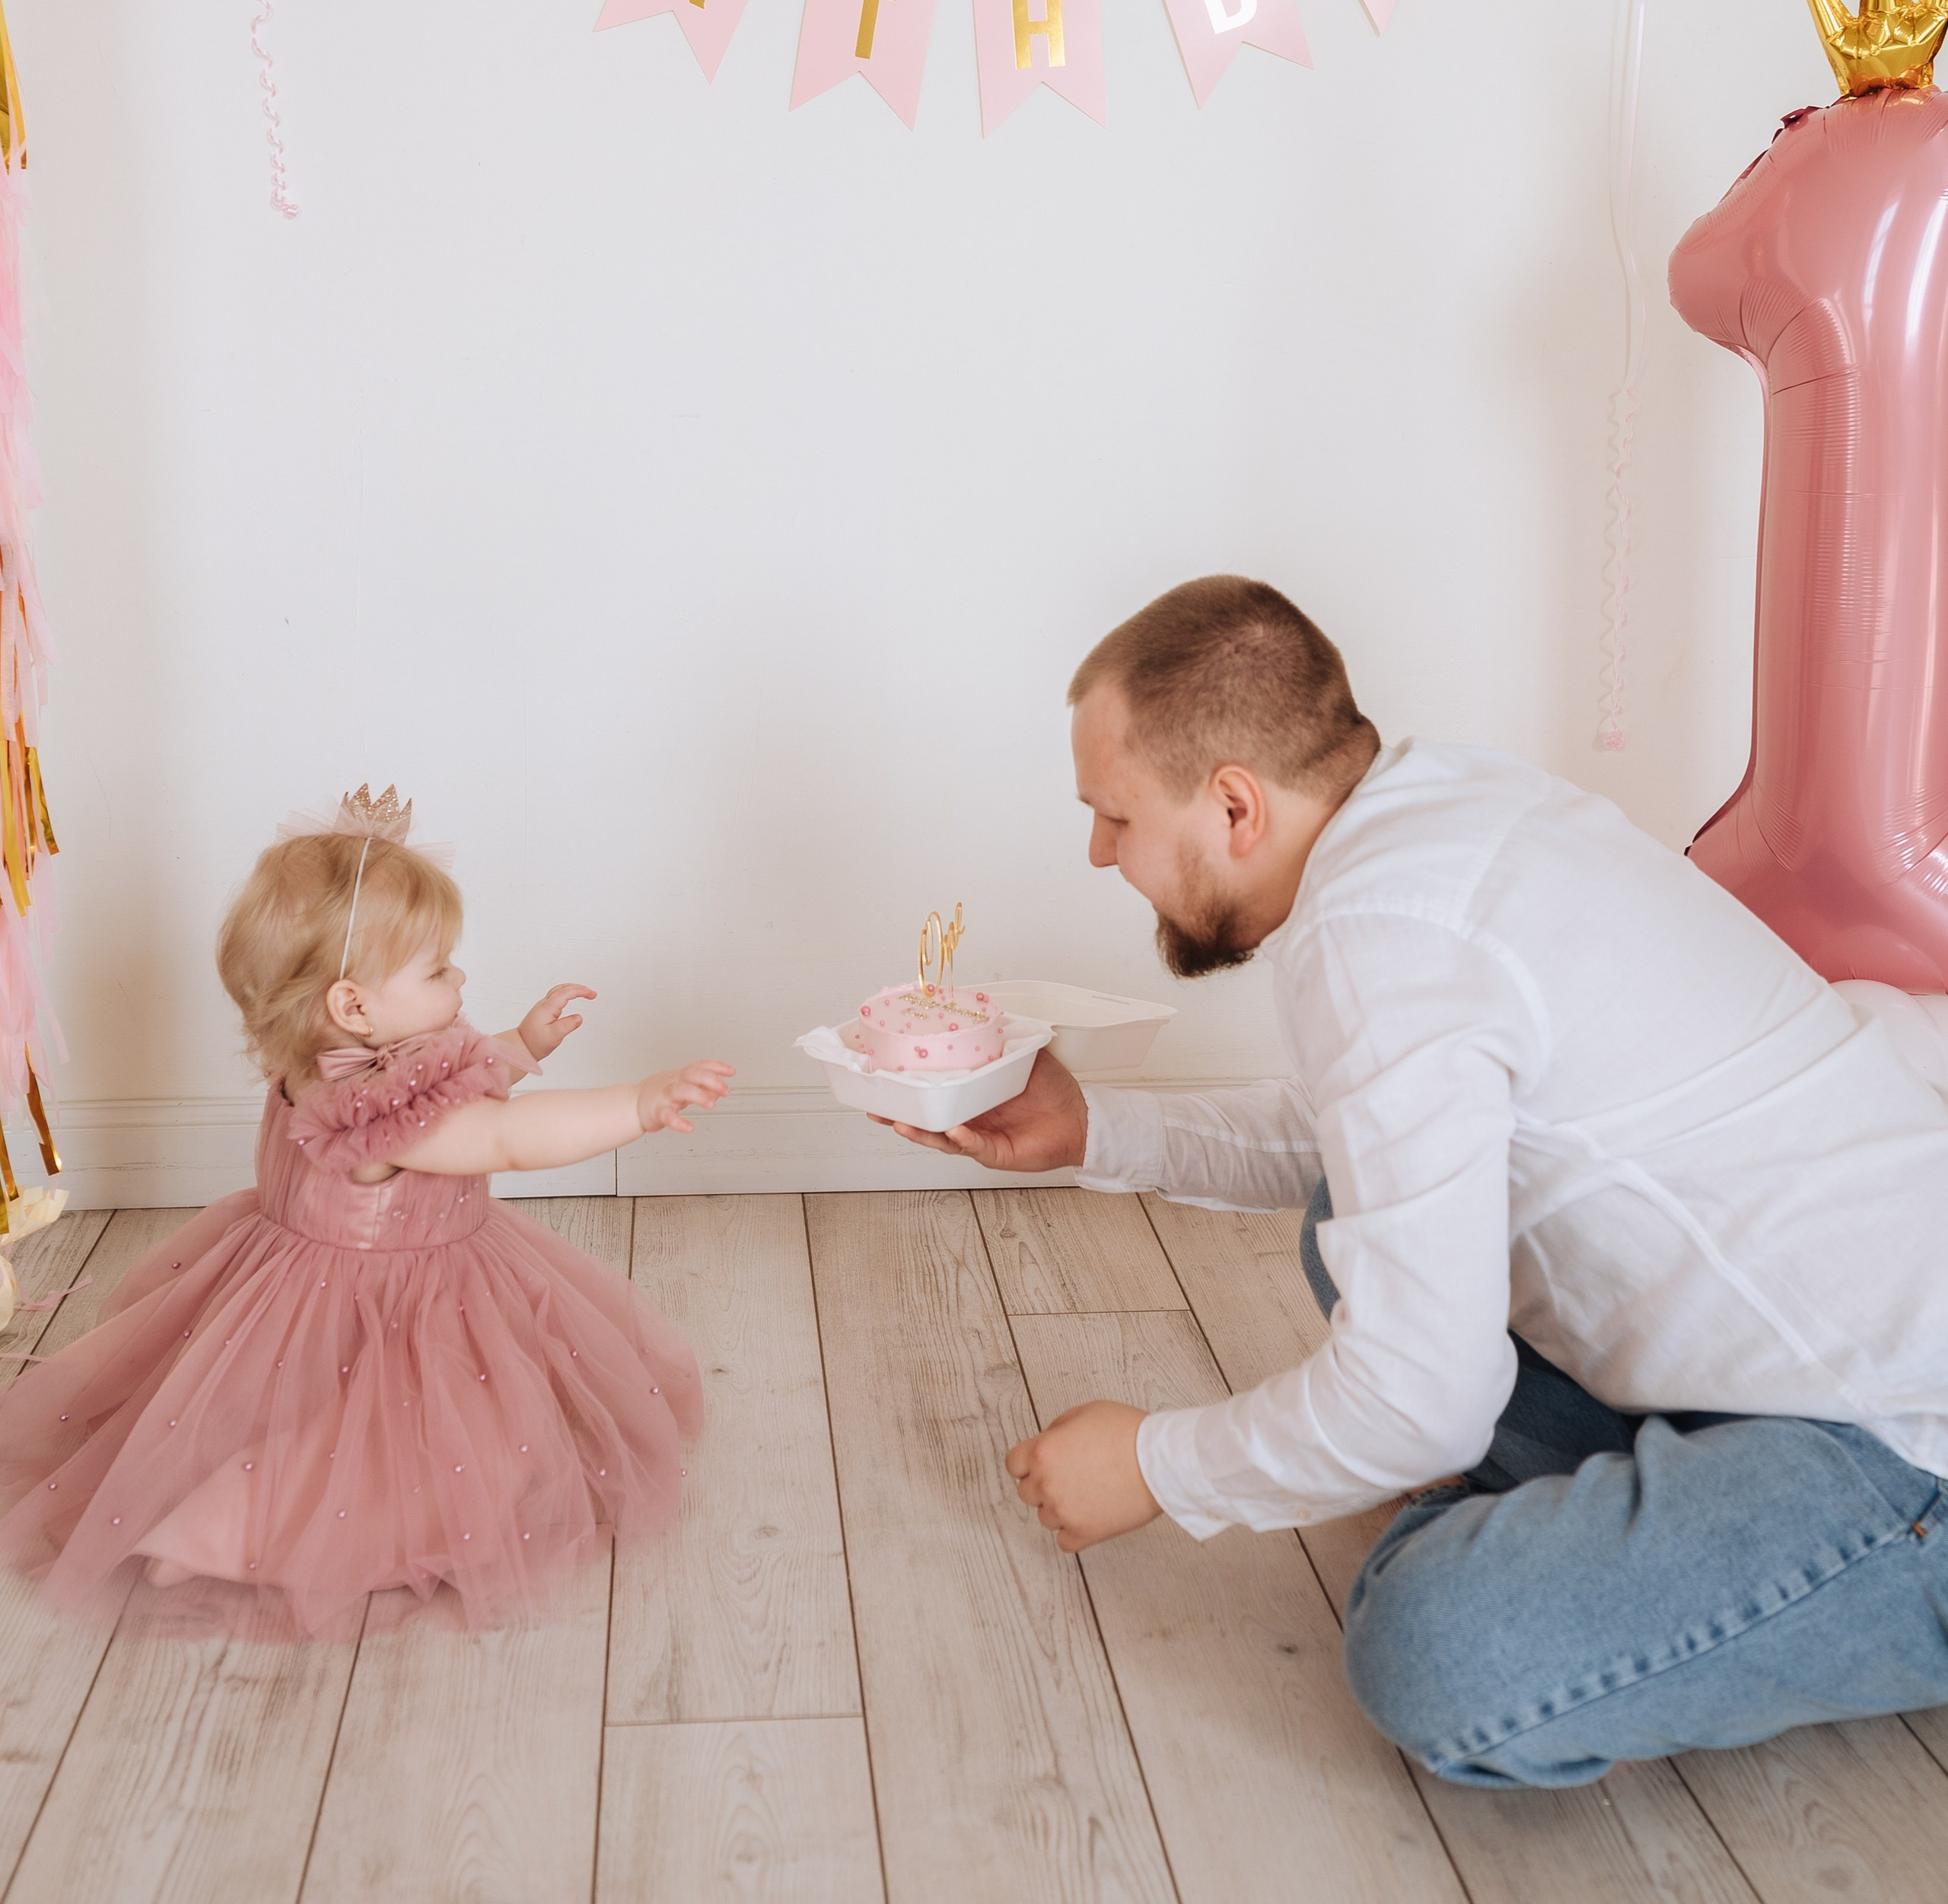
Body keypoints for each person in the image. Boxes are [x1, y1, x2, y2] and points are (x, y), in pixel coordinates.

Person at [911, 578, 1948, 1789]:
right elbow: (1357, 1135)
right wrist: (1095, 1131)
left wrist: (1156, 1465)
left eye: (1117, 817)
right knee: (1348, 1217)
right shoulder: (1446, 812)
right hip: (1788, 1354)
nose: (1098, 852)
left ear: (1234, 804)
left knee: (1435, 1651)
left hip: (1900, 1442)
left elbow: (1423, 1402)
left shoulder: (1384, 937)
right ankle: (1620, 1538)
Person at [0, 790, 733, 1636]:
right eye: (438, 969)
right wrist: (636, 1103)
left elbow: (444, 1074)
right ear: (352, 1004)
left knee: (303, 1412)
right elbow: (506, 1136)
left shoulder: (332, 1067)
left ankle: (226, 1505)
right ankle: (226, 1532)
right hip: (389, 1305)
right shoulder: (379, 1117)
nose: (460, 978)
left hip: (294, 1287)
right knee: (412, 1447)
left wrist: (519, 1046)